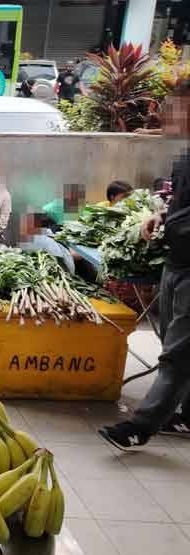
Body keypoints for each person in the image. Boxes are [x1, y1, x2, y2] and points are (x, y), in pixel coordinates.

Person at [101, 82, 190, 448]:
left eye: (175, 107)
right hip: (175, 260)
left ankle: (140, 426)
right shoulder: (185, 158)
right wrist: (161, 214)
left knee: (176, 354)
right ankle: (186, 416)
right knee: (175, 344)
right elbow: (180, 204)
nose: (166, 115)